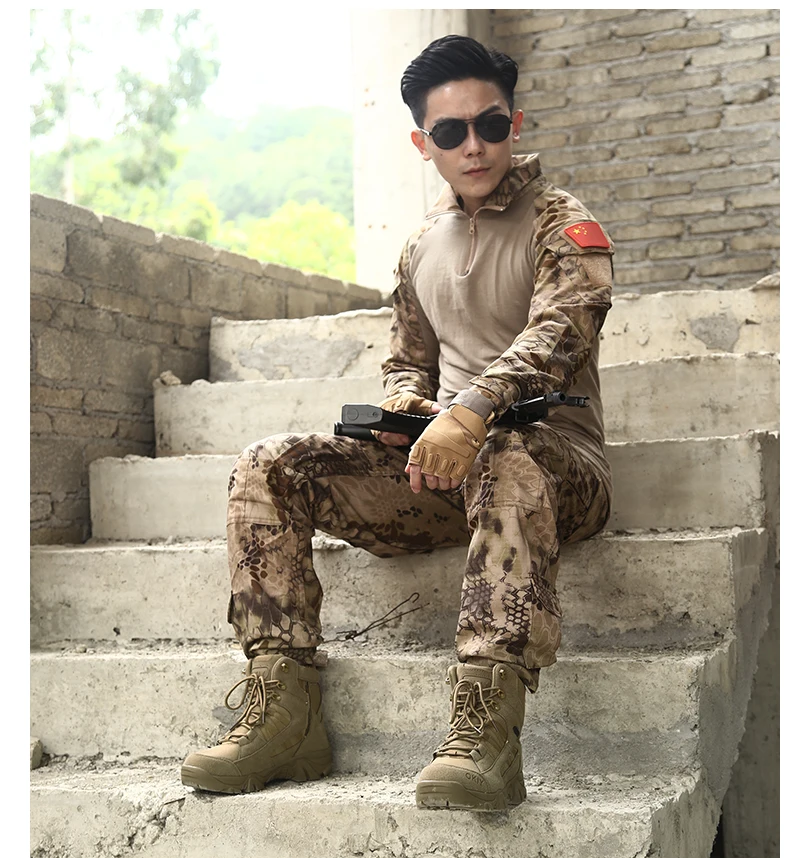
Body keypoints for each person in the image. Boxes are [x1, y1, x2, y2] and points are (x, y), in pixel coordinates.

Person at [181, 34, 614, 811]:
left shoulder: (562, 222)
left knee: (506, 454)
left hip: (554, 466)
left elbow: (562, 334)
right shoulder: (420, 245)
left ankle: (487, 731)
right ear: (424, 143)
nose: (474, 145)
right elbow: (406, 363)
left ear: (515, 124)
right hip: (445, 472)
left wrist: (473, 411)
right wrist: (411, 412)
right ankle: (285, 710)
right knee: (269, 465)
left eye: (491, 125)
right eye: (451, 131)